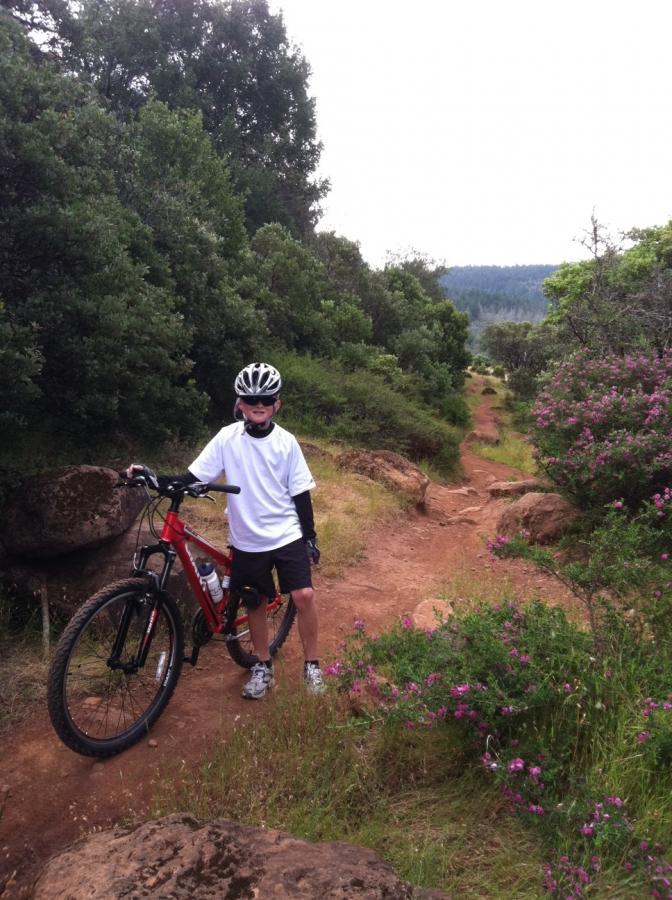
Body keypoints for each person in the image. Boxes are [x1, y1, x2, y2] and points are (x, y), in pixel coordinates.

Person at [128, 362, 324, 699]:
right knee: (255, 602)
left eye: (265, 398)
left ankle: (313, 666)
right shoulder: (226, 438)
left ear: (276, 403)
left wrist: (310, 537)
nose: (258, 403)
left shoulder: (287, 443)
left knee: (304, 595)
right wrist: (154, 477)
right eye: (250, 399)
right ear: (240, 404)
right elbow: (193, 478)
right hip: (247, 537)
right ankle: (262, 666)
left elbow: (300, 494)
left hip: (286, 531)